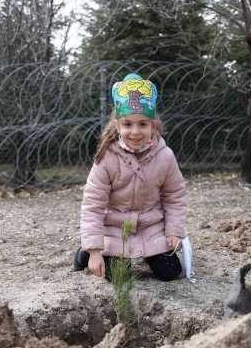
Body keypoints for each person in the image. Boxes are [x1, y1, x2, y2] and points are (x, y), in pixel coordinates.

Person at [73, 73, 186, 282]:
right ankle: (86, 250)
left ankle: (148, 253)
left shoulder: (165, 156)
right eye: (128, 124)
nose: (135, 132)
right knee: (119, 277)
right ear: (117, 125)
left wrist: (173, 232)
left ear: (153, 125)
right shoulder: (106, 158)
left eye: (143, 124)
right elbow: (93, 205)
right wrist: (95, 250)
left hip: (150, 228)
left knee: (170, 273)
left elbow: (174, 196)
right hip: (114, 229)